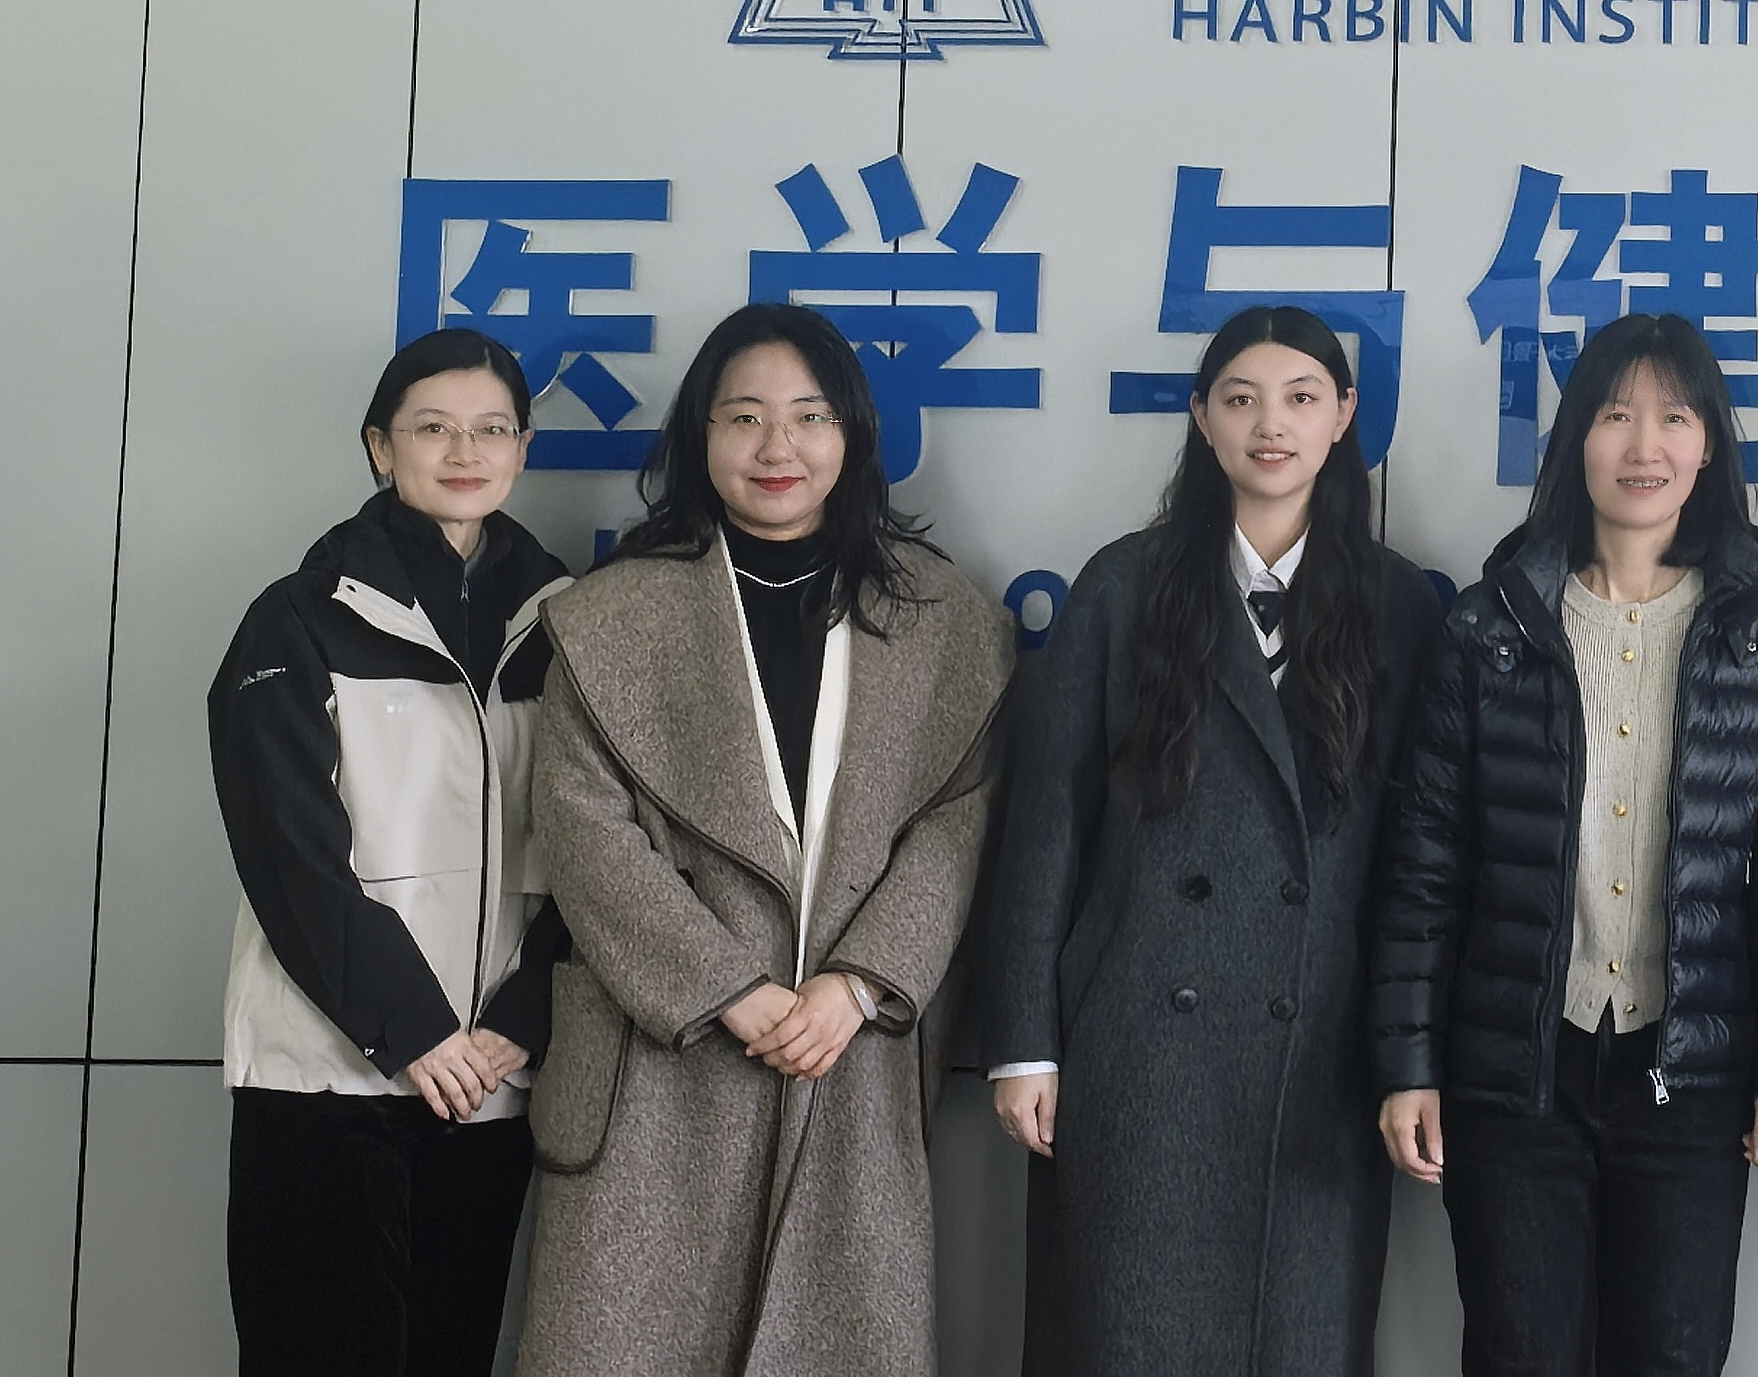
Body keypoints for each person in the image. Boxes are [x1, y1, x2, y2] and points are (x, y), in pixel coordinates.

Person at [512, 304, 1017, 1377]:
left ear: (853, 432)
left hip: (849, 1058)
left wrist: (858, 983)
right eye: (743, 416)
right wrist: (726, 986)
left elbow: (959, 820)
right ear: (699, 434)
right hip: (659, 1069)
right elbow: (584, 830)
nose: (776, 445)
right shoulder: (607, 614)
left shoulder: (948, 619)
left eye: (809, 415)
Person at [977, 305, 1445, 1377]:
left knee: (1298, 1342)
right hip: (1139, 1052)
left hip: (1318, 1052)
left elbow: (1416, 856)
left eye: (1299, 398)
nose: (1269, 424)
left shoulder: (1394, 603)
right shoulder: (1124, 584)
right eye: (1240, 398)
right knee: (1126, 1337)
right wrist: (1025, 1043)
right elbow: (1046, 826)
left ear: (1343, 417)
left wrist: (1409, 1054)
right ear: (1200, 416)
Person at [1372, 312, 1758, 1377]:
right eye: (1616, 415)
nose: (1643, 446)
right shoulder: (1490, 627)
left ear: (1708, 445)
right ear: (1575, 436)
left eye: (1674, 418)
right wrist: (1406, 1063)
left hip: (1686, 1071)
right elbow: (1424, 866)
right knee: (1516, 1353)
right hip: (1517, 1070)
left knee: (1672, 1354)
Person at [210, 326, 576, 1377]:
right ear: (380, 445)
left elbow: (600, 848)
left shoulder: (568, 627)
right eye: (432, 428)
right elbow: (290, 854)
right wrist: (413, 1027)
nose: (466, 451)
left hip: (489, 1079)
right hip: (326, 1078)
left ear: (522, 448)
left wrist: (520, 1021)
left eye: (492, 428)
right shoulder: (297, 618)